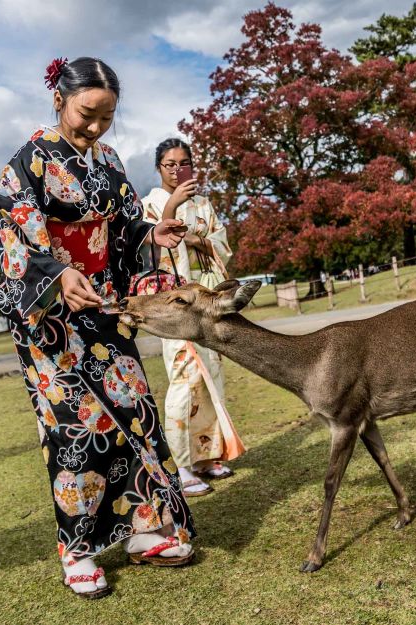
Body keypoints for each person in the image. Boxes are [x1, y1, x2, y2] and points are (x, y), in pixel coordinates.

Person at [0, 56, 193, 599]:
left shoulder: (107, 159)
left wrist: (154, 232)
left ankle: (145, 529)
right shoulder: (29, 160)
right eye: (87, 114)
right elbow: (14, 229)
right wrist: (57, 270)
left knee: (135, 410)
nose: (96, 127)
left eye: (106, 117)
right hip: (51, 315)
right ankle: (77, 551)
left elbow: (124, 225)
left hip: (101, 302)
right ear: (59, 99)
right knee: (75, 427)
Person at [140, 138, 244, 497]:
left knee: (212, 374)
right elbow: (151, 248)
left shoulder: (204, 204)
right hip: (176, 308)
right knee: (184, 378)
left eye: (183, 163)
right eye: (169, 164)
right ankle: (179, 465)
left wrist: (200, 239)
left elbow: (220, 242)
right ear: (159, 167)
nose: (176, 169)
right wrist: (173, 207)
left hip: (207, 303)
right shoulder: (150, 203)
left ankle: (206, 455)